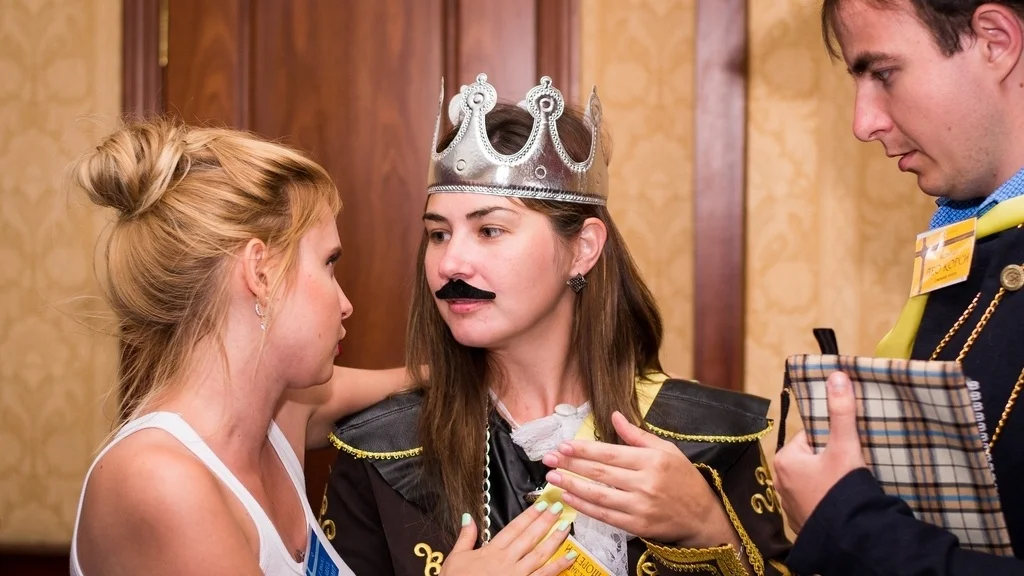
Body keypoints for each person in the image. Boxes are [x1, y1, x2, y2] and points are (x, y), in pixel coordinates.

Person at [318, 74, 792, 576]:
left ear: (583, 249)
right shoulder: (383, 450)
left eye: (489, 230)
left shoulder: (707, 441)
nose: (450, 263)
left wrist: (709, 527)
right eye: (438, 234)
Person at [67, 118, 434, 576]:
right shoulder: (158, 479)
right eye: (329, 263)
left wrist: (455, 369)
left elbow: (392, 384)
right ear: (260, 272)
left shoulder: (282, 417)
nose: (345, 304)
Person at [773, 0, 1024, 574]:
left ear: (995, 41)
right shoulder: (973, 239)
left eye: (884, 73)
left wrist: (848, 525)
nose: (863, 123)